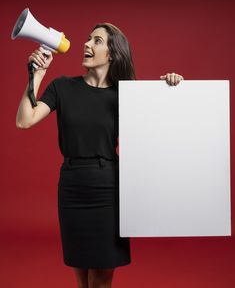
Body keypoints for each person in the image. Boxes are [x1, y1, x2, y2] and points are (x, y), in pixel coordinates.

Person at [16, 23, 184, 288]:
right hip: (72, 187)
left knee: (102, 277)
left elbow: (163, 130)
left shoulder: (126, 95)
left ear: (112, 53)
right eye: (88, 39)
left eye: (97, 41)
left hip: (108, 189)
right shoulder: (62, 87)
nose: (86, 44)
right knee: (82, 276)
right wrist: (38, 74)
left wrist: (172, 90)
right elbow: (25, 120)